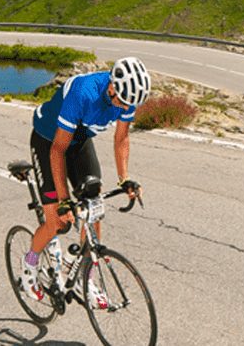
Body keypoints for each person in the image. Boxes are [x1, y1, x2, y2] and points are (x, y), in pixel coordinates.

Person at [19, 56, 151, 308]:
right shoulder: (83, 92)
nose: (125, 108)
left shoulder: (127, 97)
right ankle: (30, 264)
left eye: (130, 105)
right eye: (122, 102)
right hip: (49, 140)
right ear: (112, 87)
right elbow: (58, 150)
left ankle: (85, 277)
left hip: (78, 141)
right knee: (59, 222)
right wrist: (64, 201)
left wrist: (124, 178)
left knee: (94, 208)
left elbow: (121, 138)